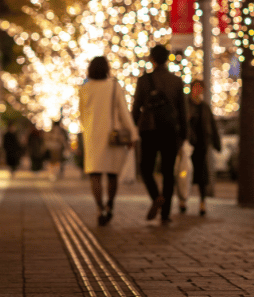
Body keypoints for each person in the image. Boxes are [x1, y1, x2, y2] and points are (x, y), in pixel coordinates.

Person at [79, 56, 138, 226]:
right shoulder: (113, 86)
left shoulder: (84, 89)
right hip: (112, 137)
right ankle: (110, 205)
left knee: (95, 174)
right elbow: (123, 112)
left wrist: (87, 130)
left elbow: (82, 115)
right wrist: (132, 134)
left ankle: (99, 208)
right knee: (112, 174)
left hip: (92, 136)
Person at [131, 44, 188, 224]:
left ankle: (156, 197)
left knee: (146, 169)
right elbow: (182, 111)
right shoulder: (176, 81)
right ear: (167, 59)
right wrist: (184, 134)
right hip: (170, 131)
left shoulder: (144, 80)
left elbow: (136, 108)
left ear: (152, 59)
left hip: (149, 130)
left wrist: (134, 127)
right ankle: (165, 214)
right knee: (168, 172)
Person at [183, 79, 221, 216]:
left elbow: (212, 126)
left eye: (200, 88)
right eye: (196, 88)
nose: (198, 91)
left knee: (202, 174)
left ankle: (202, 202)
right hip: (188, 144)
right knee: (185, 173)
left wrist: (216, 143)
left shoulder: (204, 107)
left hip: (201, 145)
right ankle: (183, 199)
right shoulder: (185, 105)